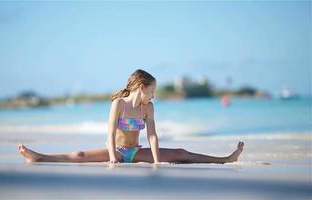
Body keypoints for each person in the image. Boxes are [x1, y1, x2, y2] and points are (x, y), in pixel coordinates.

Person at [18, 69, 244, 164]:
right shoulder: (119, 104)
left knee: (181, 153)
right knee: (79, 154)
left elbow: (153, 137)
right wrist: (113, 157)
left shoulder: (148, 108)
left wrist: (156, 160)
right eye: (152, 91)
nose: (154, 95)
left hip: (136, 152)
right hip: (114, 150)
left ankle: (225, 159)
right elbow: (109, 131)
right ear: (142, 87)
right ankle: (40, 157)